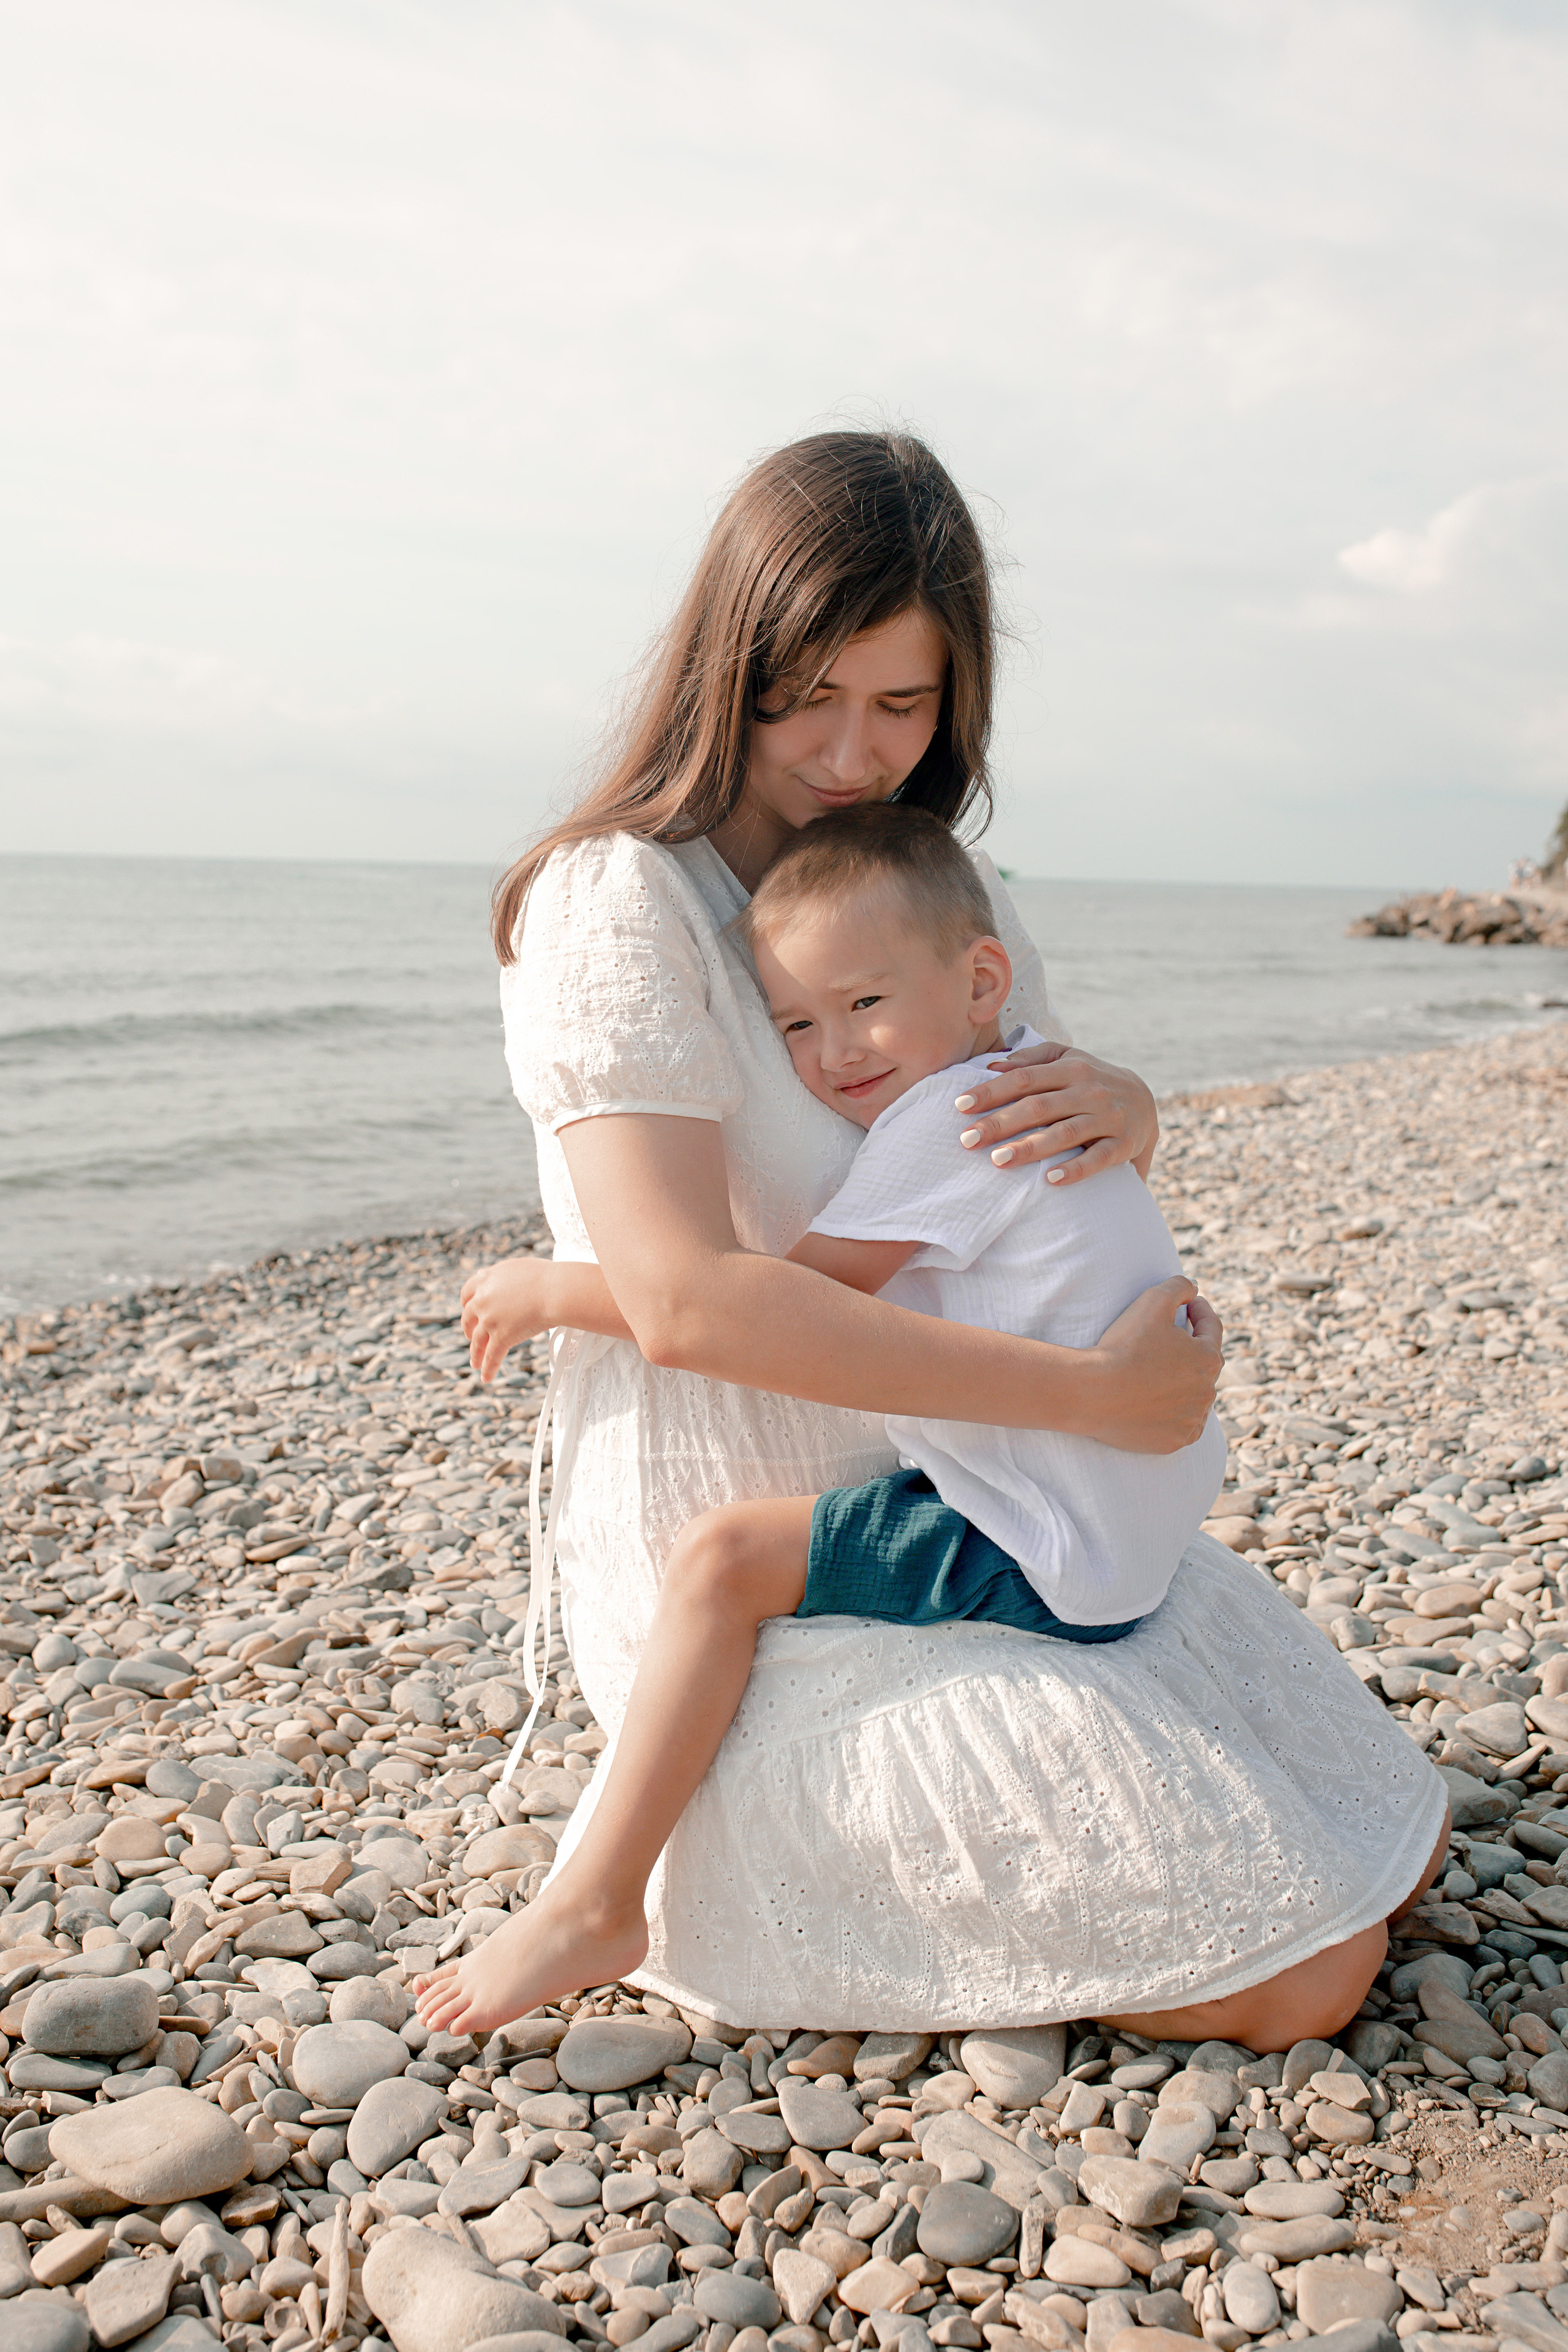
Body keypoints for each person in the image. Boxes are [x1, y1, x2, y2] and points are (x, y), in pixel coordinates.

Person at [437, 431, 1447, 2049]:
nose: (852, 750)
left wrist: (1128, 1100)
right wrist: (1099, 1401)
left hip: (982, 1503)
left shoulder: (923, 881)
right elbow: (687, 1303)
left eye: (902, 706)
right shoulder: (620, 900)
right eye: (809, 698)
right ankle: (625, 1886)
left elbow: (1024, 1135)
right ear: (727, 669)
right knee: (1304, 1974)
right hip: (761, 1552)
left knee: (1394, 1844)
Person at [415, 805, 1227, 2035]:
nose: (834, 1050)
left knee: (723, 1563)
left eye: (862, 1004)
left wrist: (553, 1291)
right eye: (794, 1022)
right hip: (1134, 1497)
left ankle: (595, 1901)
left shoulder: (937, 1125)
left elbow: (784, 1304)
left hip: (1045, 1535)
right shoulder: (1025, 1085)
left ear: (979, 980)